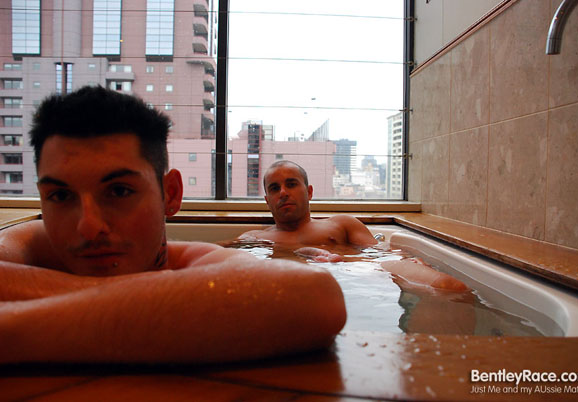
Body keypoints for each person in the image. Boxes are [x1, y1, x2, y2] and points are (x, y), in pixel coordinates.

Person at [0, 86, 346, 364]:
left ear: (170, 194)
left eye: (118, 191)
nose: (88, 227)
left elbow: (316, 300)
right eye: (60, 196)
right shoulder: (34, 240)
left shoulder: (201, 262)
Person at [239, 160, 468, 292]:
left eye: (291, 184)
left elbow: (379, 253)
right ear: (267, 200)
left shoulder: (341, 224)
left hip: (358, 278)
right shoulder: (254, 238)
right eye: (274, 188)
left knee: (448, 286)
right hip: (289, 286)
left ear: (309, 192)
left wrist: (404, 258)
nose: (283, 193)